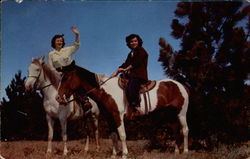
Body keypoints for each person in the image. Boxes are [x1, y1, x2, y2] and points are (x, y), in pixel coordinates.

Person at [111, 34, 148, 116]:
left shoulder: (141, 50)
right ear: (129, 43)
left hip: (139, 75)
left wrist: (126, 69)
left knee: (132, 85)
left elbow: (137, 62)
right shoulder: (131, 53)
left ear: (138, 42)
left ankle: (136, 105)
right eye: (131, 41)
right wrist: (117, 71)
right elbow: (126, 63)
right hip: (132, 75)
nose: (133, 43)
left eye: (135, 41)